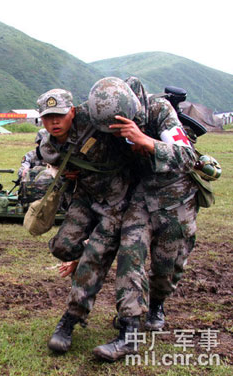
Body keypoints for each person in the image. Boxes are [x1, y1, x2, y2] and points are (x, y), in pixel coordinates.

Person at [93, 77, 198, 362]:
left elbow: (187, 157)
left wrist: (146, 142)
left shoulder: (159, 111)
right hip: (141, 197)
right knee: (130, 256)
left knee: (166, 268)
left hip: (176, 198)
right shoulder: (107, 119)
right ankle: (128, 333)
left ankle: (157, 307)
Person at [36, 86, 134, 354]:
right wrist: (68, 172)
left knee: (93, 260)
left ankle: (70, 320)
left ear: (73, 111)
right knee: (61, 246)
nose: (54, 122)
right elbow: (54, 163)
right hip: (86, 198)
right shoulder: (48, 146)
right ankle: (86, 258)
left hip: (116, 202)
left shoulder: (96, 123)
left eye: (59, 115)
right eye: (47, 117)